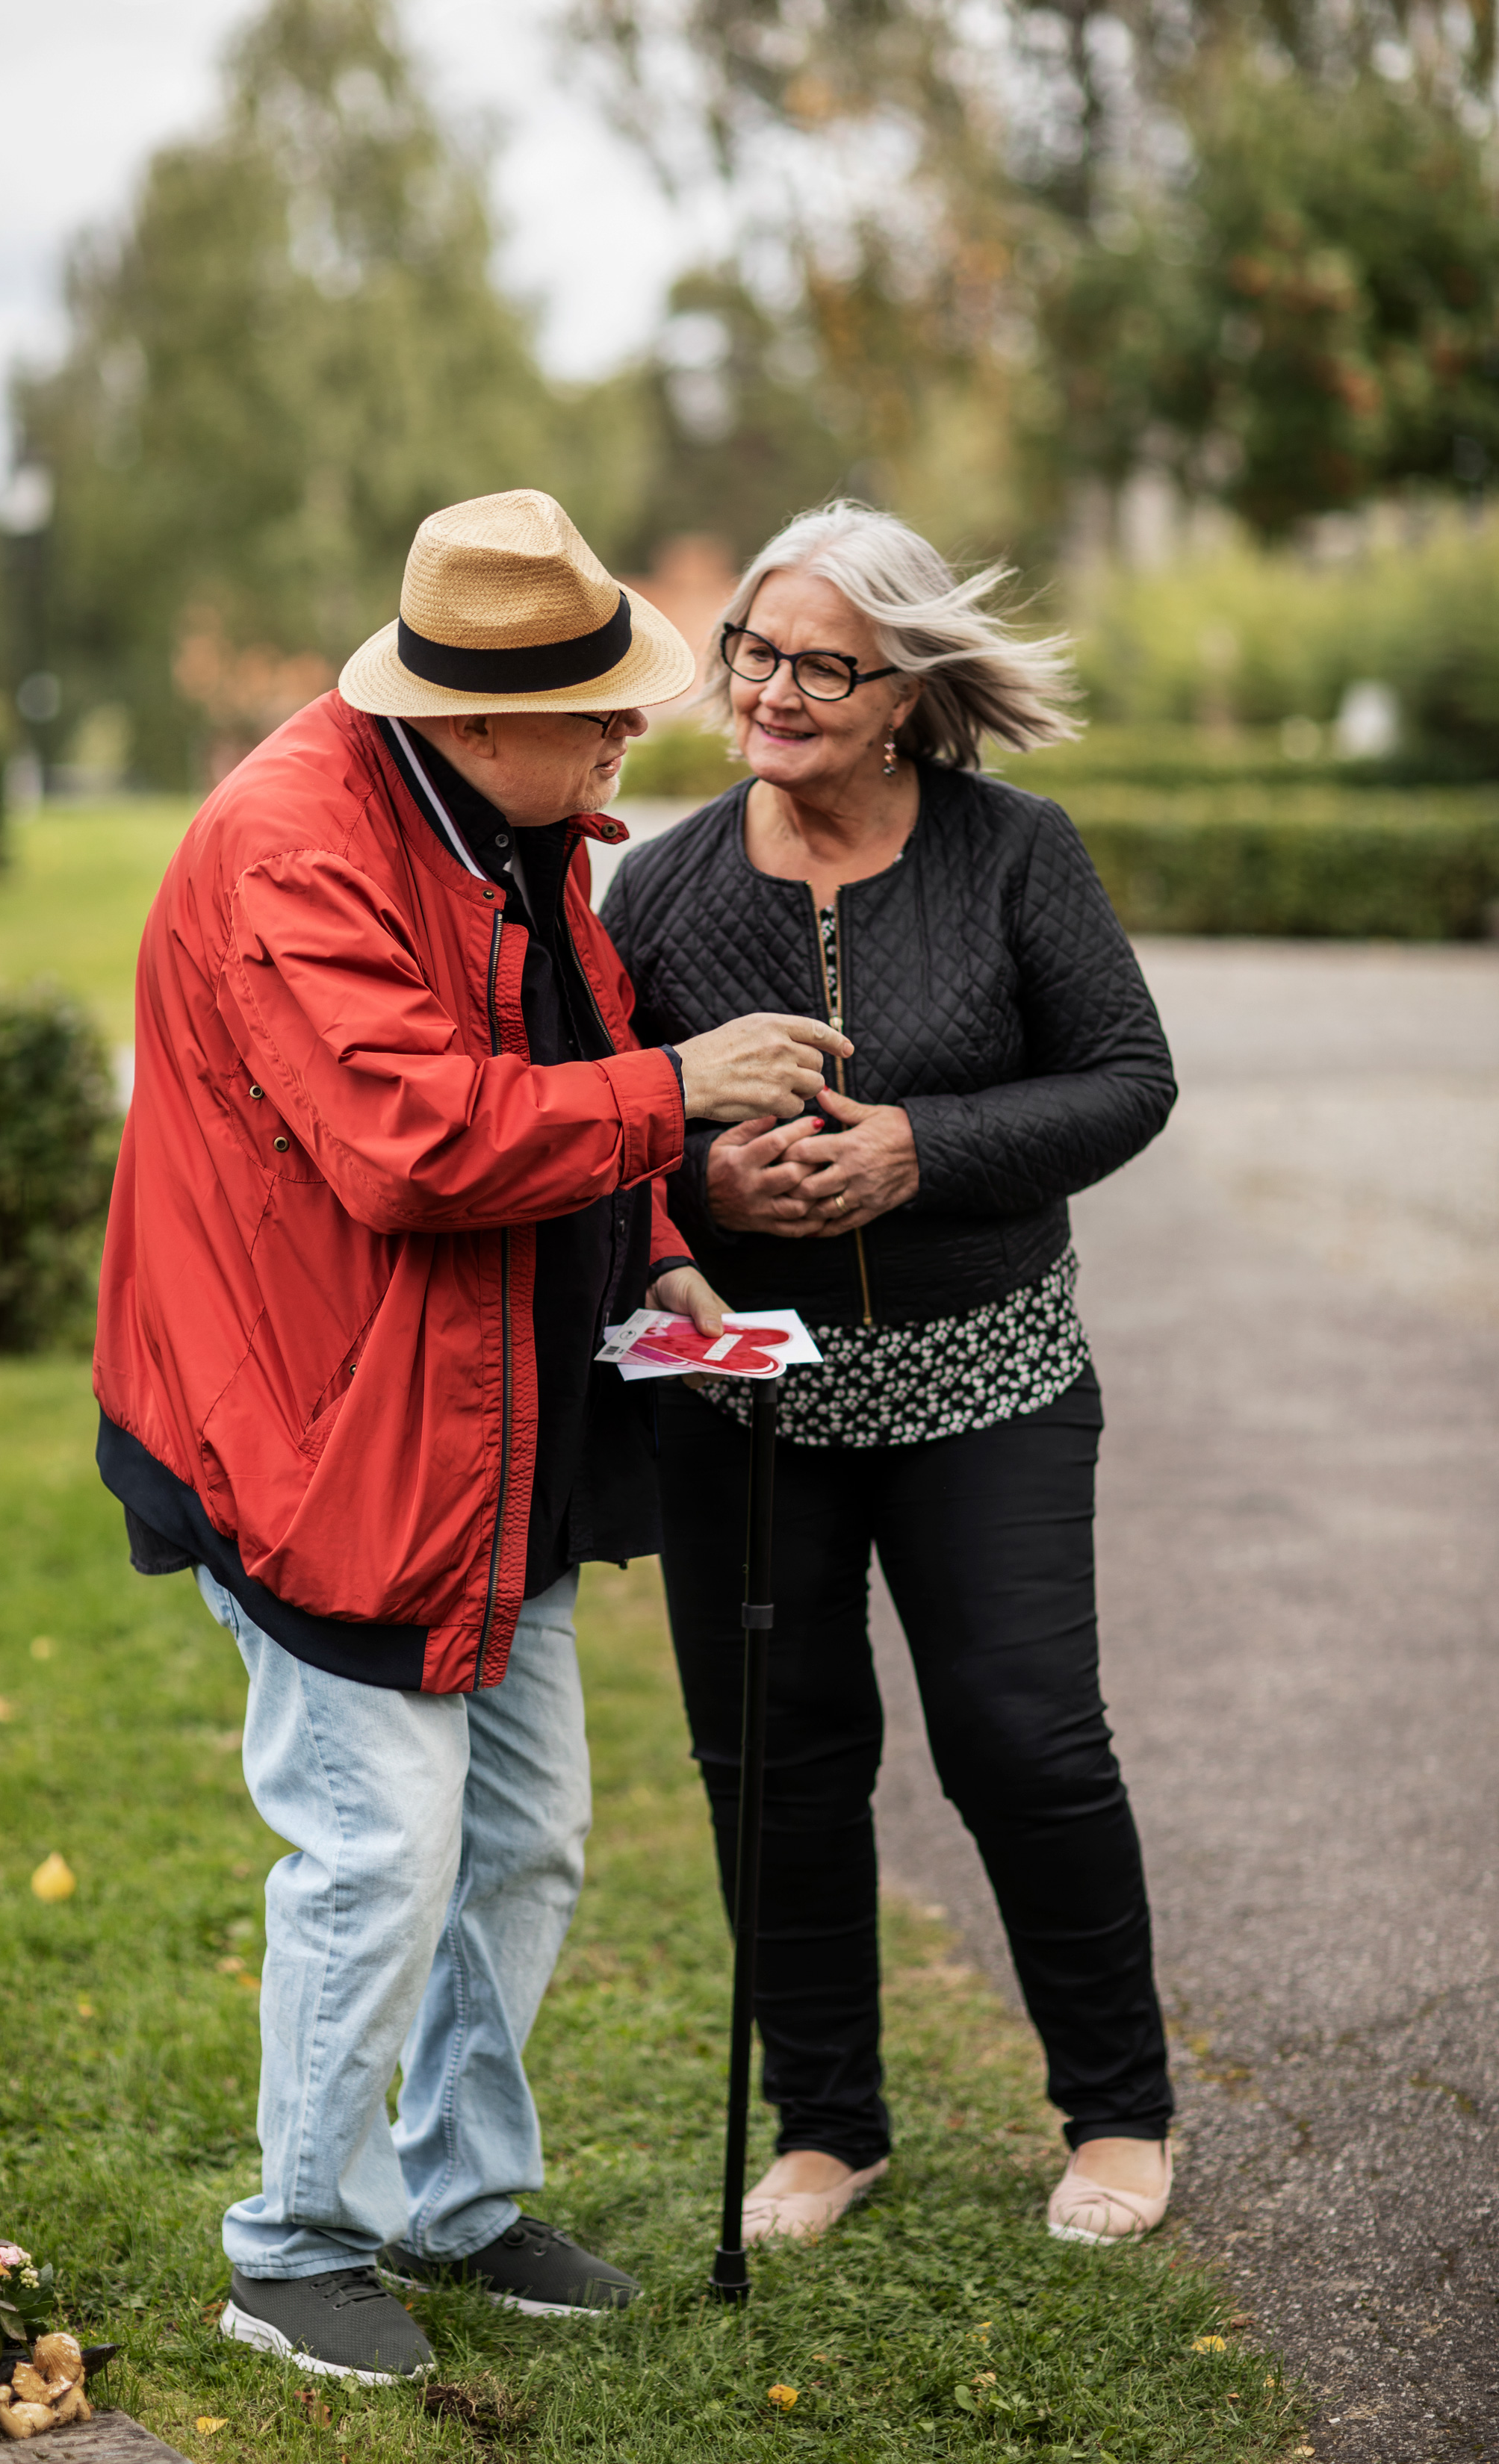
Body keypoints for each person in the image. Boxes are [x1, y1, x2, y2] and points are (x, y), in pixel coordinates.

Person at [93, 489, 840, 2382]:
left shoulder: (517, 826)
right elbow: (419, 1141)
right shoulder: (292, 847)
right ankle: (294, 2248)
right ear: (468, 711)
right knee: (380, 1849)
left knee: (527, 1840)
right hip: (318, 1432)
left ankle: (453, 2200)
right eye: (598, 706)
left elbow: (554, 1064)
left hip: (488, 1419)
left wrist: (663, 1248)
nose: (630, 737)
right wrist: (678, 1091)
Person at [600, 500, 1179, 2251]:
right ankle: (824, 2131)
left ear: (905, 689)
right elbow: (615, 1136)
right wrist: (708, 1184)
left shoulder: (1014, 856)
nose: (769, 694)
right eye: (752, 655)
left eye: (817, 666)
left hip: (985, 1376)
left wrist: (921, 1149)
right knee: (772, 1755)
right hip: (746, 1396)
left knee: (1022, 1740)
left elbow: (1126, 1078)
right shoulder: (665, 885)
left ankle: (1115, 2116)